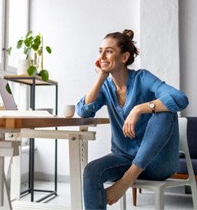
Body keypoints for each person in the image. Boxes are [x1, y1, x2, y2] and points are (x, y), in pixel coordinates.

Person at [76, 29, 189, 210]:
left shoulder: (142, 78)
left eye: (109, 51)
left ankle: (126, 181)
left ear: (124, 57)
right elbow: (83, 111)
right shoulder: (105, 86)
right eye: (100, 51)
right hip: (124, 157)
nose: (102, 56)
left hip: (157, 163)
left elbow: (180, 99)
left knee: (165, 112)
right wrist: (101, 77)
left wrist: (140, 108)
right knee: (91, 171)